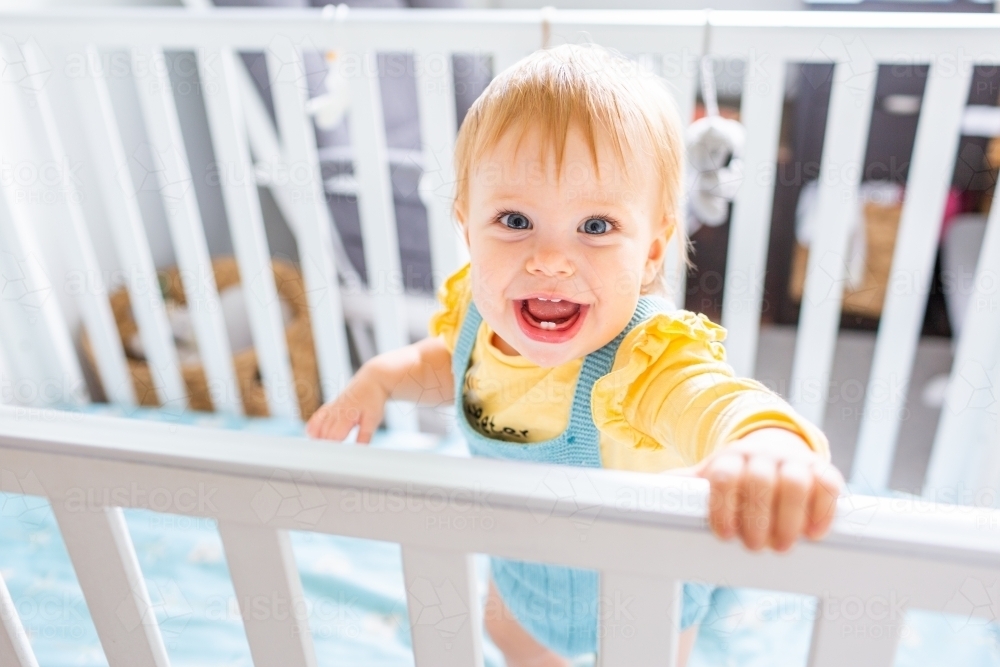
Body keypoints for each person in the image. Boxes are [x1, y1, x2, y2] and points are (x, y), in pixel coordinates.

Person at [307, 43, 843, 667]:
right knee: (513, 644)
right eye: (513, 219)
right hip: (520, 579)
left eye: (595, 226)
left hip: (643, 588)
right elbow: (449, 365)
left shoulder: (644, 359)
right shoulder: (478, 322)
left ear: (651, 250)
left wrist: (767, 444)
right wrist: (380, 378)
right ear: (466, 226)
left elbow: (714, 400)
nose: (550, 259)